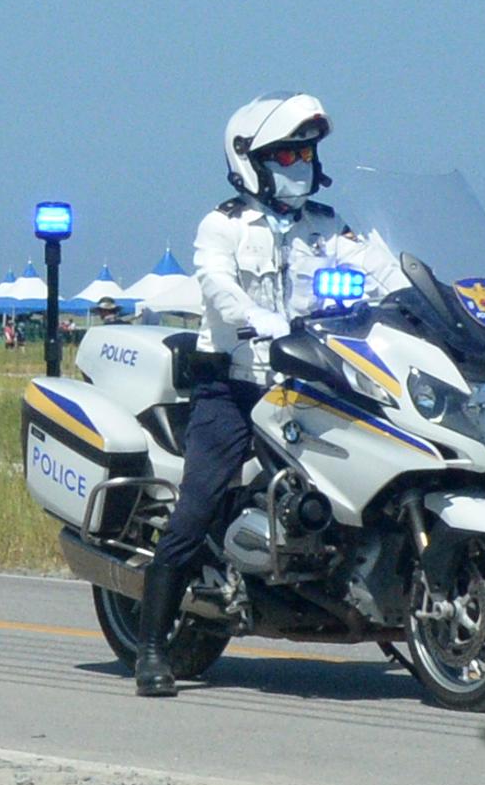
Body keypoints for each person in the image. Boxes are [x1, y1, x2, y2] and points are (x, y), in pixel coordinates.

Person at [133, 93, 361, 697]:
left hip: (311, 382)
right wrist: (260, 316)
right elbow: (216, 284)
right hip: (234, 385)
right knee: (200, 502)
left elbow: (382, 269)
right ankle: (153, 647)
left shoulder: (329, 225)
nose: (299, 162)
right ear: (250, 159)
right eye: (286, 152)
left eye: (306, 151)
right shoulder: (224, 224)